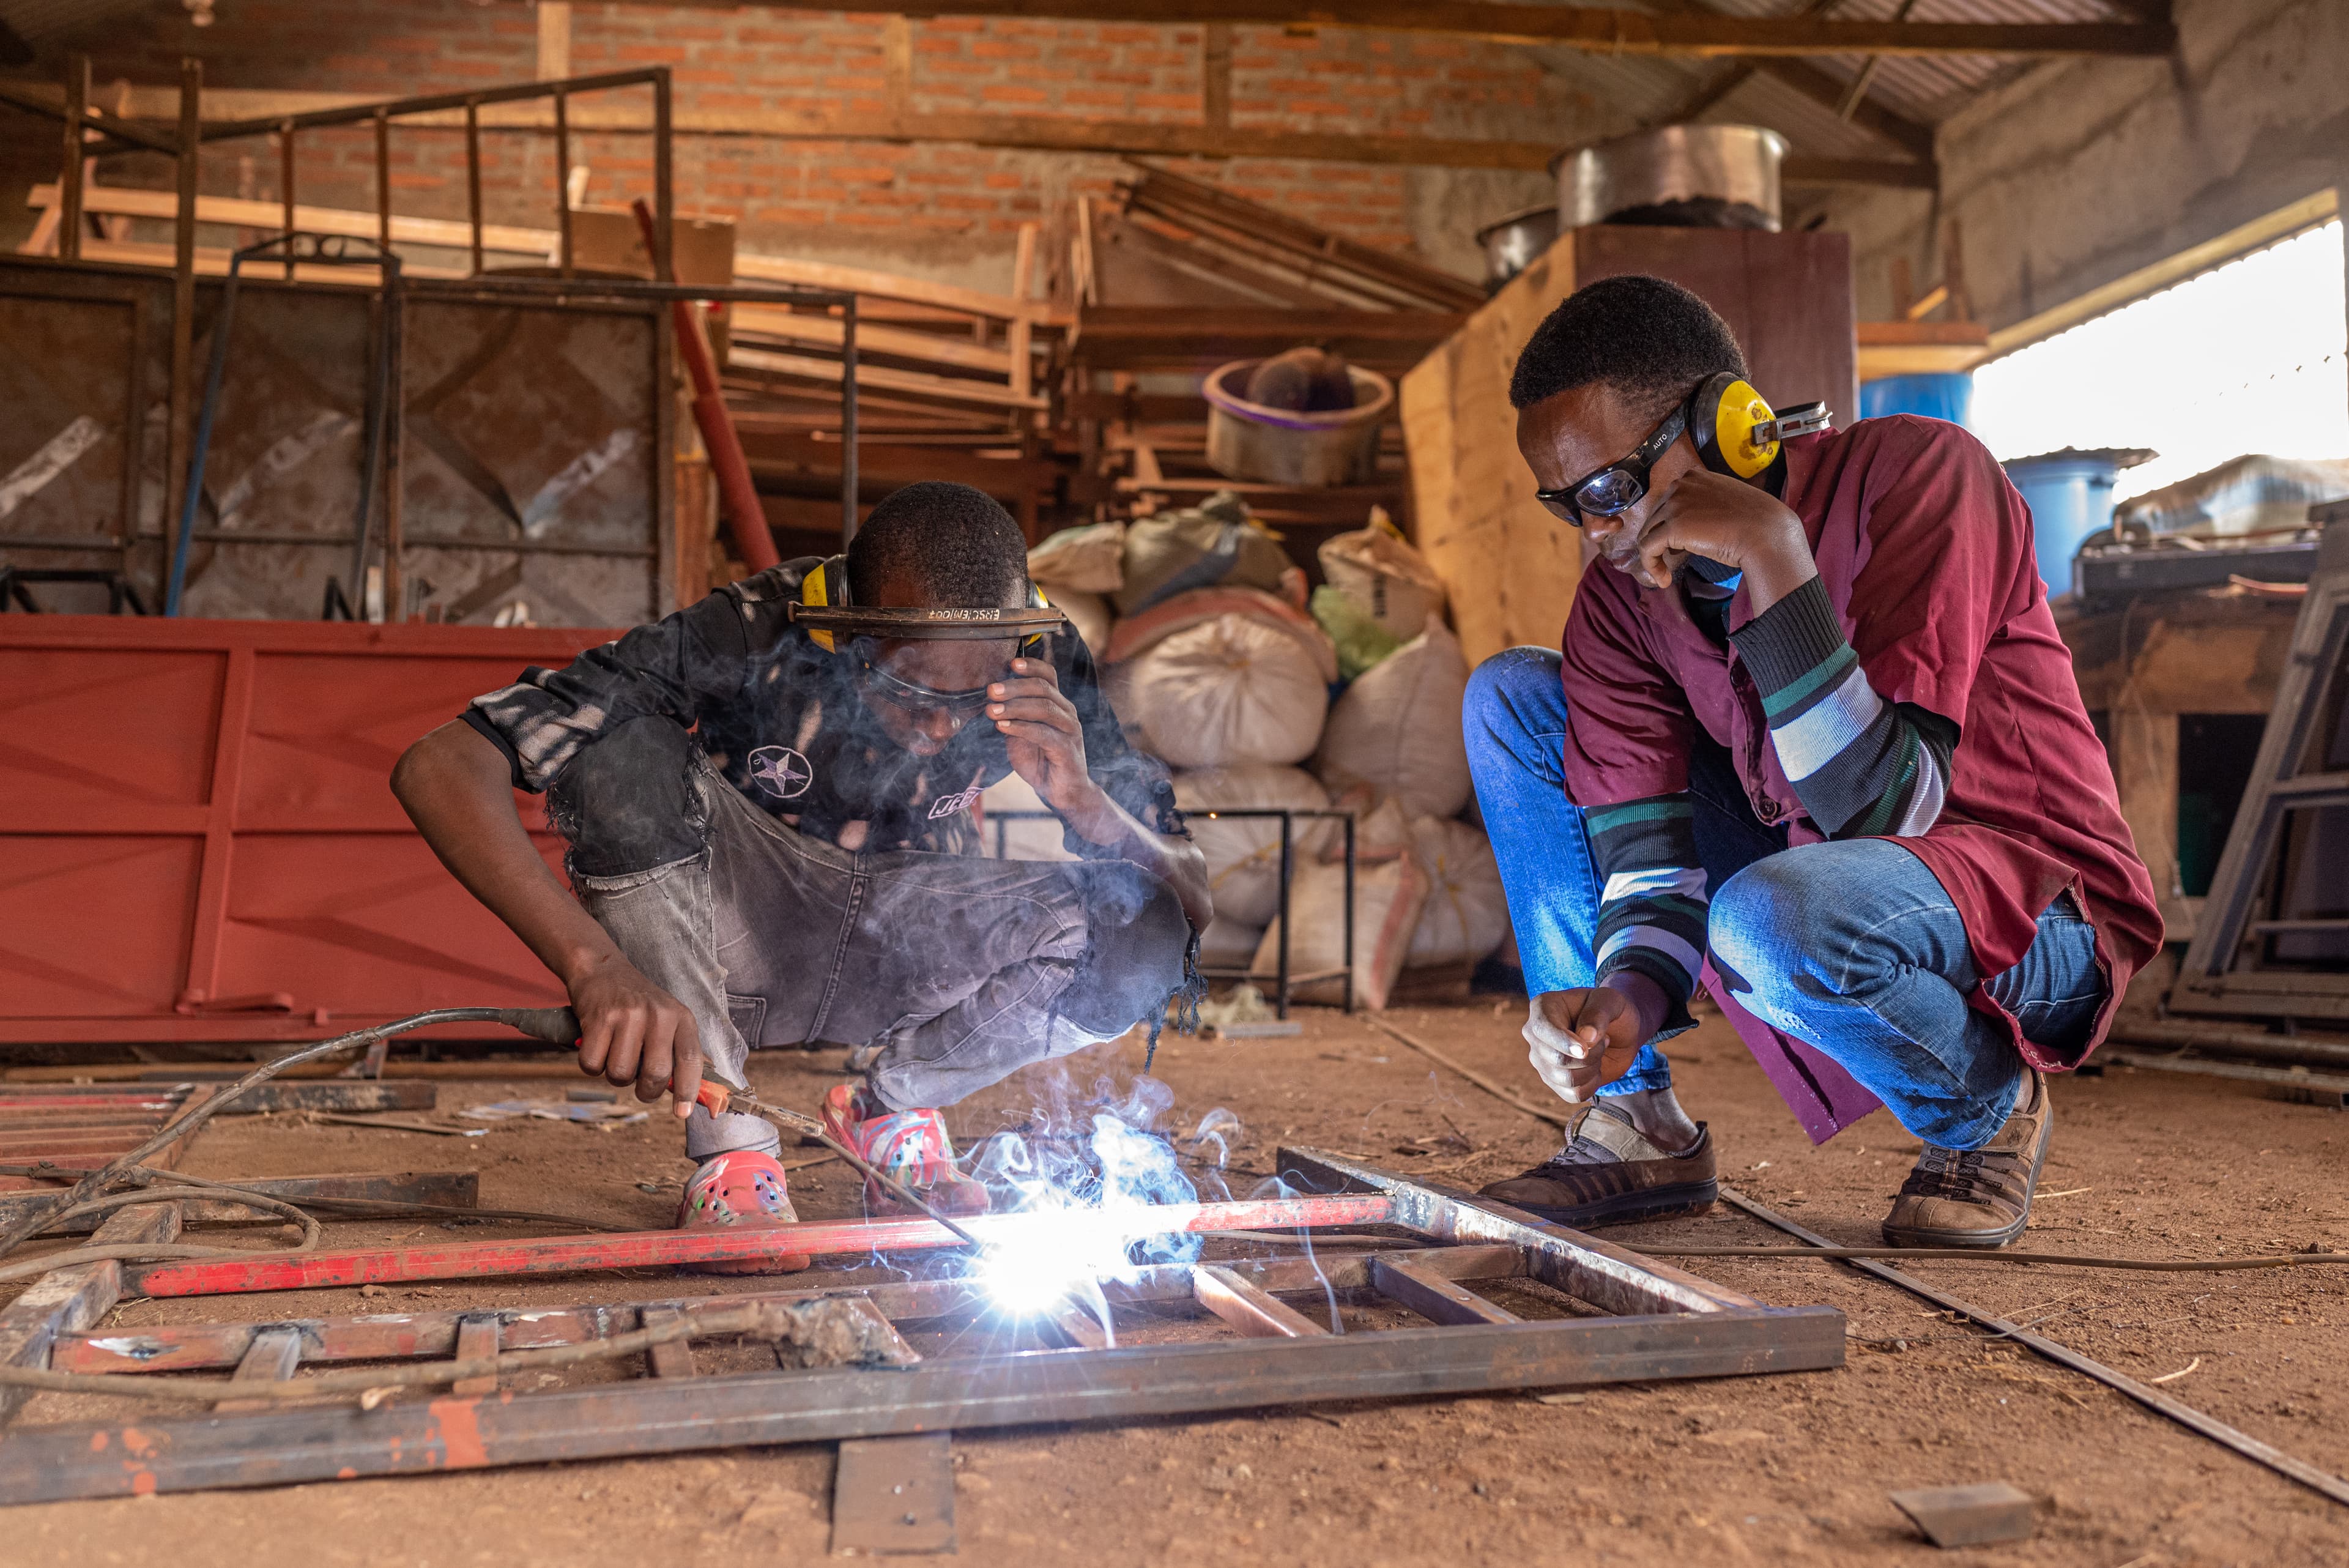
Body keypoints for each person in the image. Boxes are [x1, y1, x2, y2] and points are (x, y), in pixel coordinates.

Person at [1464, 275, 2161, 1248]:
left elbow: (1889, 813)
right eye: (1567, 504)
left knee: (1772, 919)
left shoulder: (1923, 475)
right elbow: (1646, 866)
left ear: (1728, 426)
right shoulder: (1622, 606)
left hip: (2033, 916)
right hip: (1814, 888)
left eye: (1613, 488)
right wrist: (1623, 995)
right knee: (1515, 701)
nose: (1597, 530)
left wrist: (1774, 555)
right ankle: (1635, 1120)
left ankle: (1984, 1108)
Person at [393, 481, 1208, 1272]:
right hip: (731, 960)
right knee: (615, 752)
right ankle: (734, 1157)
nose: (937, 727)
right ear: (847, 636)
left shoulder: (1046, 655)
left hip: (901, 954)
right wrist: (595, 965)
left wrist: (1085, 798)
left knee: (1145, 933)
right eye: (909, 690)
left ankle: (892, 1110)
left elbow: (1192, 897)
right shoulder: (753, 629)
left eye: (974, 703)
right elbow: (440, 764)